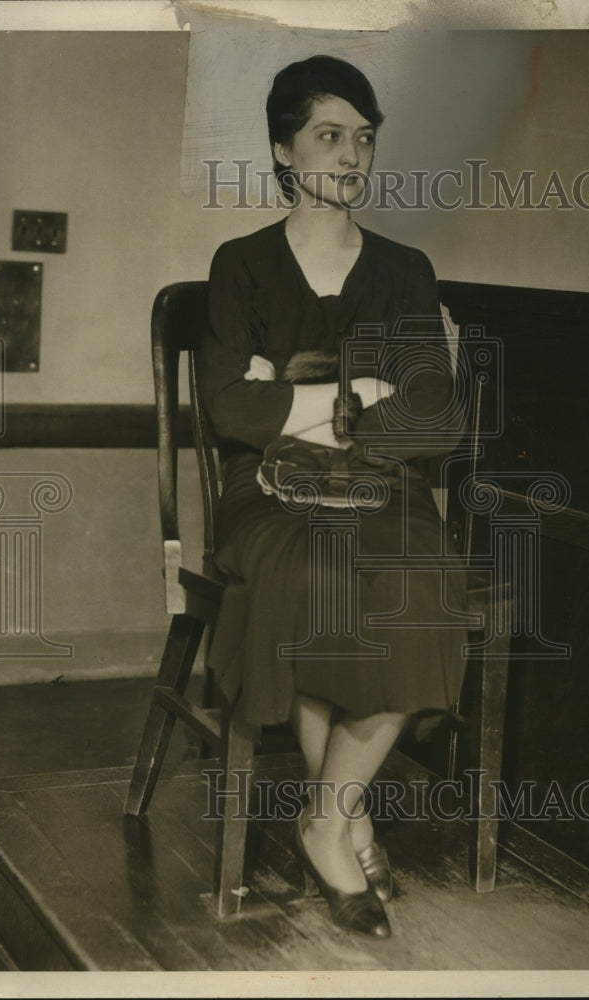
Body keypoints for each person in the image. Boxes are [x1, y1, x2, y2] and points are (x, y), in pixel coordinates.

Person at [197, 55, 468, 939]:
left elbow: (435, 424)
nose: (349, 154)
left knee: (417, 587)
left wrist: (296, 395)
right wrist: (365, 395)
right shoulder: (240, 265)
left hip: (382, 488)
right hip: (267, 494)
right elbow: (233, 413)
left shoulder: (405, 270)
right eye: (327, 135)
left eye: (362, 138)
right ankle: (348, 820)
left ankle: (327, 814)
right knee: (312, 577)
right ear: (282, 150)